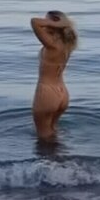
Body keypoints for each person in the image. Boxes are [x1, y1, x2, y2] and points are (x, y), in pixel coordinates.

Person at [30, 11, 78, 141]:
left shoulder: (52, 44)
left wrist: (60, 23)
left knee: (43, 136)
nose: (45, 25)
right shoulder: (67, 44)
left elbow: (34, 22)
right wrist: (63, 24)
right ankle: (63, 154)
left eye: (47, 21)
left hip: (47, 92)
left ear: (54, 23)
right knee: (52, 131)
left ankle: (51, 155)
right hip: (62, 92)